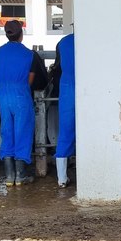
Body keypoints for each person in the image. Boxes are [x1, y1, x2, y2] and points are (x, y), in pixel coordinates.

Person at [0, 20, 35, 186]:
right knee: (22, 132)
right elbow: (31, 78)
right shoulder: (29, 54)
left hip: (3, 95)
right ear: (21, 34)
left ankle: (9, 177)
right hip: (21, 95)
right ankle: (21, 175)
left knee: (7, 131)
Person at [54, 32, 75, 188]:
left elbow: (57, 66)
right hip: (88, 88)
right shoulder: (93, 39)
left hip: (67, 88)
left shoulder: (63, 42)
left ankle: (61, 178)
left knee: (65, 131)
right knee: (89, 131)